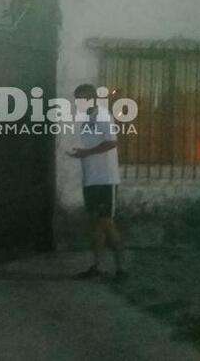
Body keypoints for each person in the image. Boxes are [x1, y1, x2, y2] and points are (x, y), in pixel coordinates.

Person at [67, 83, 126, 280]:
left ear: (91, 98)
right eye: (77, 99)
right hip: (91, 179)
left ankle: (122, 269)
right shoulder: (86, 119)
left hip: (105, 179)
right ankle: (98, 267)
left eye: (82, 98)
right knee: (95, 226)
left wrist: (86, 153)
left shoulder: (102, 115)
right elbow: (93, 145)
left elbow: (111, 142)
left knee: (107, 224)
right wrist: (81, 154)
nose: (79, 103)